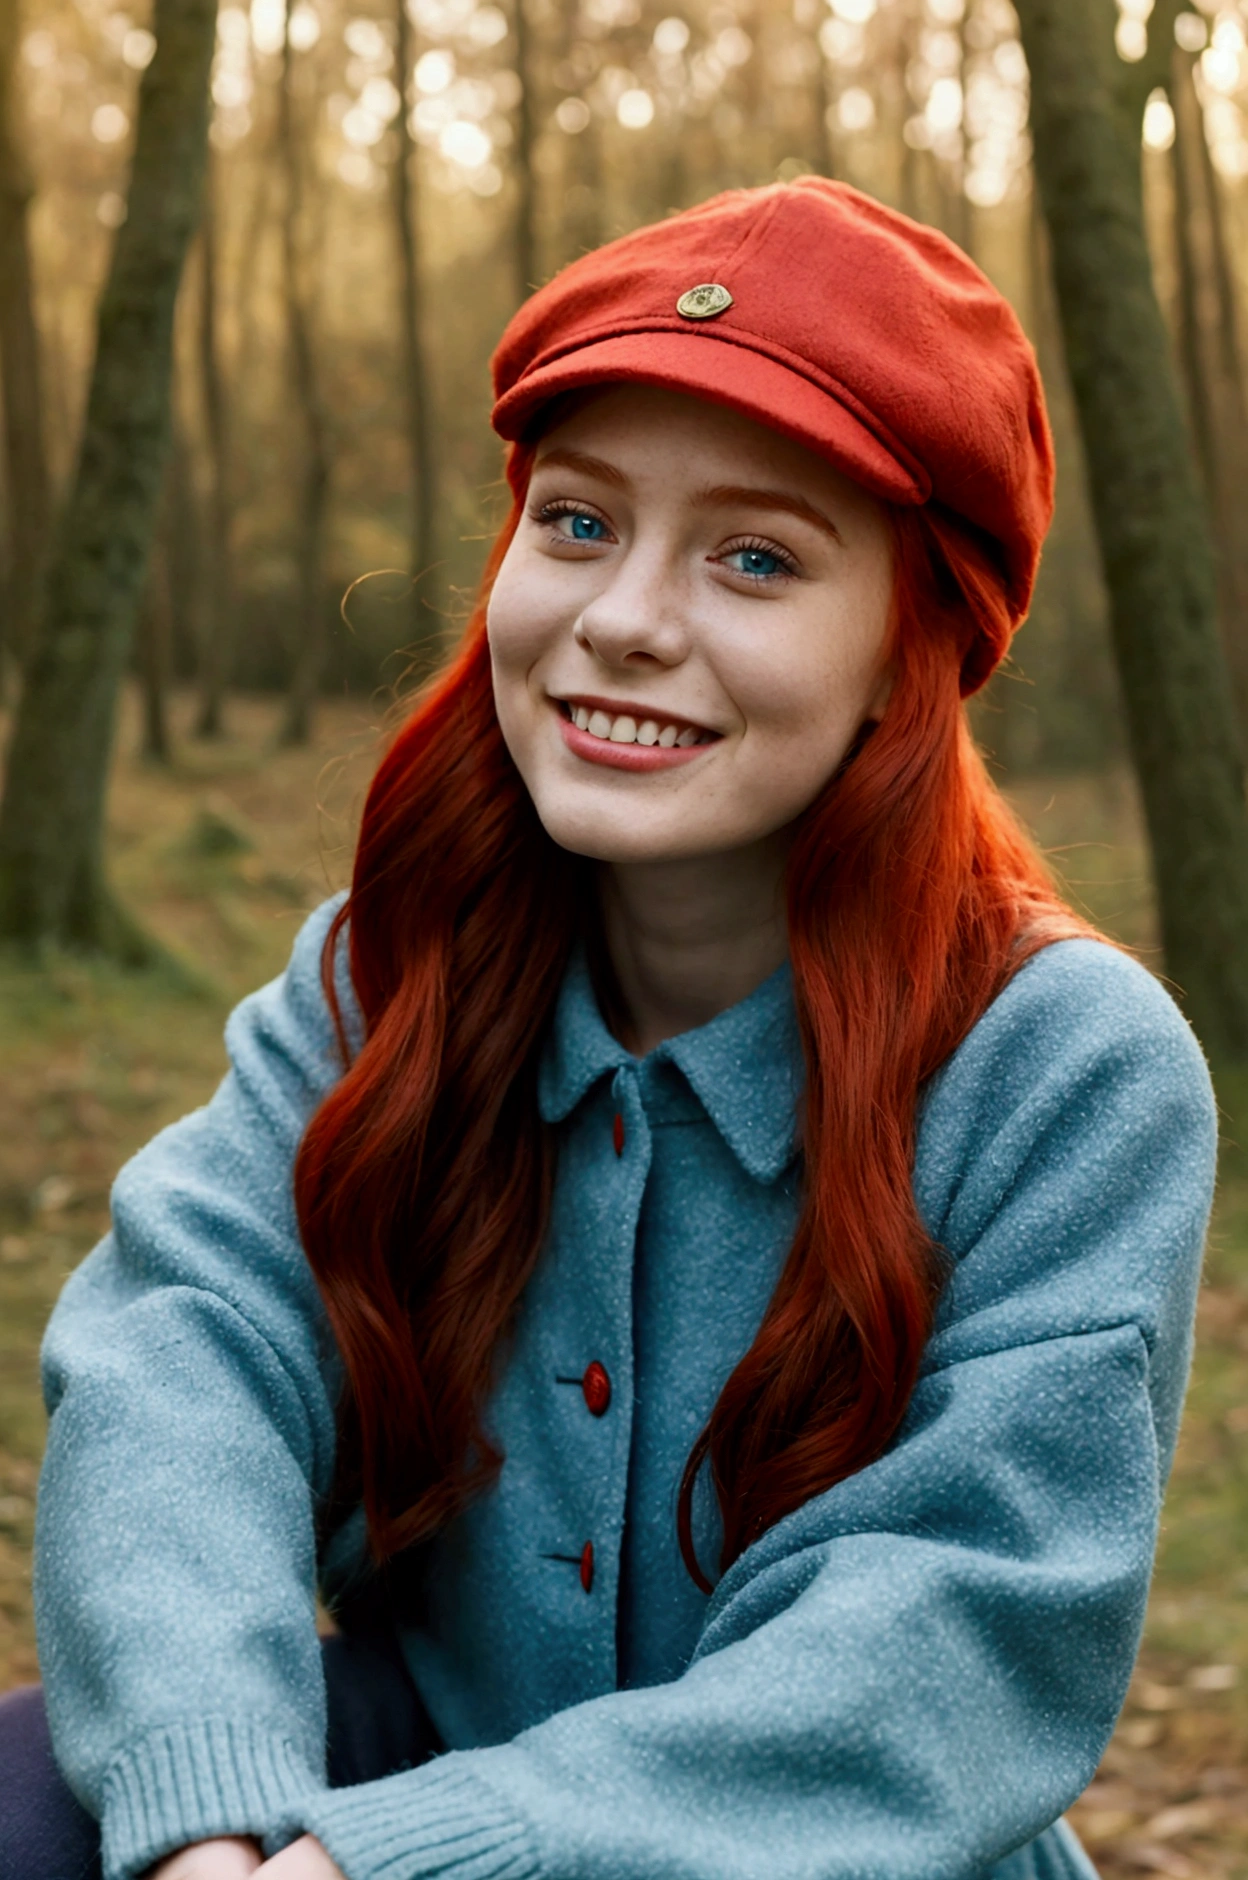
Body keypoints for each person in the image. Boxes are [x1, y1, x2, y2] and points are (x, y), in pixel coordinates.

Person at [0, 178, 1216, 1880]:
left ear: (910, 650)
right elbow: (186, 1359)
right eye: (576, 524)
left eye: (755, 557)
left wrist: (405, 1861)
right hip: (390, 1773)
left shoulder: (1067, 1068)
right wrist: (213, 1818)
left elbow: (943, 1637)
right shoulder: (386, 969)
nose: (627, 616)